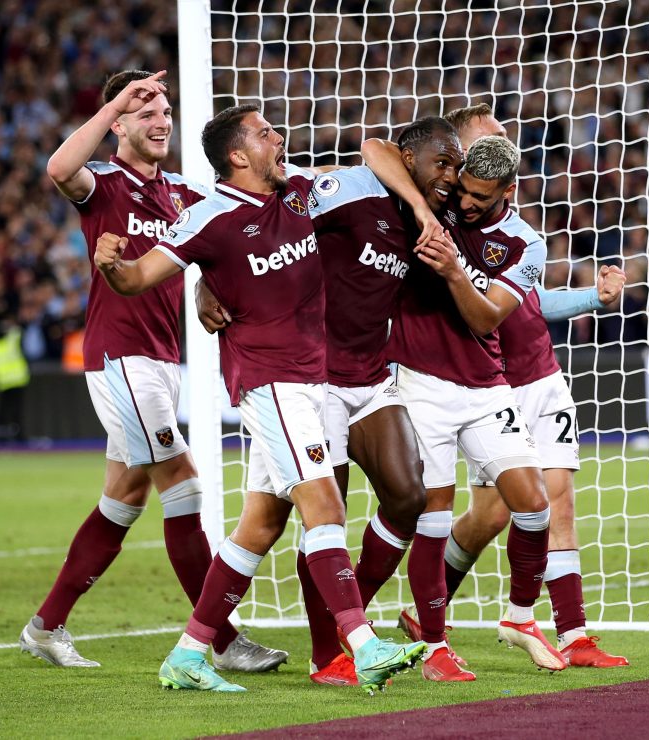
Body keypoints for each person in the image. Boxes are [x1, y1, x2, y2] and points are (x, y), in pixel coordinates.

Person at [93, 104, 426, 693]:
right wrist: (111, 264)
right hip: (270, 384)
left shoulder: (299, 192)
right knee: (324, 506)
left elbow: (374, 155)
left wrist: (421, 209)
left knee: (260, 525)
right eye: (265, 132)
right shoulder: (209, 218)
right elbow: (138, 278)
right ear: (238, 155)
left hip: (311, 380)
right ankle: (363, 644)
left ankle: (189, 654)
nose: (279, 137)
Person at [19, 70, 284, 672]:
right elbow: (59, 170)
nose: (161, 120)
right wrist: (114, 98)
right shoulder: (103, 184)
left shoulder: (184, 194)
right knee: (184, 484)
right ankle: (221, 640)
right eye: (145, 112)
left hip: (165, 361)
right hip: (120, 357)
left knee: (125, 496)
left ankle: (46, 625)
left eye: (164, 110)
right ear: (117, 124)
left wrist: (200, 293)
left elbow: (209, 252)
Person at [195, 117, 474, 684]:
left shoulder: (440, 221)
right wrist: (207, 281)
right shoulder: (350, 193)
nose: (449, 176)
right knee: (323, 516)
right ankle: (332, 654)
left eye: (455, 166)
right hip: (312, 378)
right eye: (440, 163)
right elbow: (252, 227)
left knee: (407, 495)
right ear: (407, 158)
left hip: (372, 375)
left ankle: (352, 619)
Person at [392, 105, 630, 669]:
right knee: (488, 515)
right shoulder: (442, 210)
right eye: (484, 139)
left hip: (537, 376)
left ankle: (571, 633)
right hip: (481, 379)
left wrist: (593, 299)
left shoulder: (522, 239)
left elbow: (528, 304)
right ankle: (428, 613)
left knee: (554, 501)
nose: (496, 144)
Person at [363, 134, 567, 671]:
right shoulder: (439, 200)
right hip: (420, 382)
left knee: (533, 505)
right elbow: (374, 148)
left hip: (486, 385)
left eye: (481, 196)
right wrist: (417, 207)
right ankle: (433, 645)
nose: (467, 203)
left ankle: (520, 616)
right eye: (465, 191)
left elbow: (485, 318)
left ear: (509, 190)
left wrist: (453, 269)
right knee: (433, 517)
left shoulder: (524, 243)